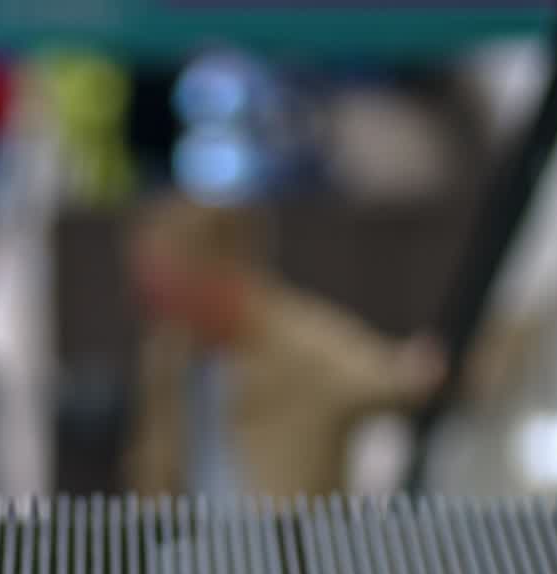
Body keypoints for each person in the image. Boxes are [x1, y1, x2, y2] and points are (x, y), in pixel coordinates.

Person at [125, 195, 447, 497]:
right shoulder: (170, 352)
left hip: (283, 534)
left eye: (167, 290)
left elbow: (397, 378)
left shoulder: (299, 343)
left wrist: (431, 364)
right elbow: (154, 467)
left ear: (217, 275)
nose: (152, 305)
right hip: (189, 532)